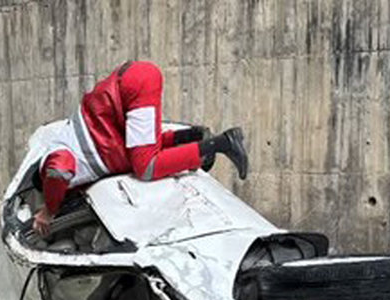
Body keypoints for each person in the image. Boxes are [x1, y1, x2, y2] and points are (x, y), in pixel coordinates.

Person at [33, 60, 249, 235]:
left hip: (131, 85)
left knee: (145, 167)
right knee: (143, 154)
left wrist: (49, 210)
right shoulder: (86, 149)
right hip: (133, 80)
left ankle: (222, 143)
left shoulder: (54, 159)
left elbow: (58, 171)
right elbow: (136, 148)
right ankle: (192, 136)